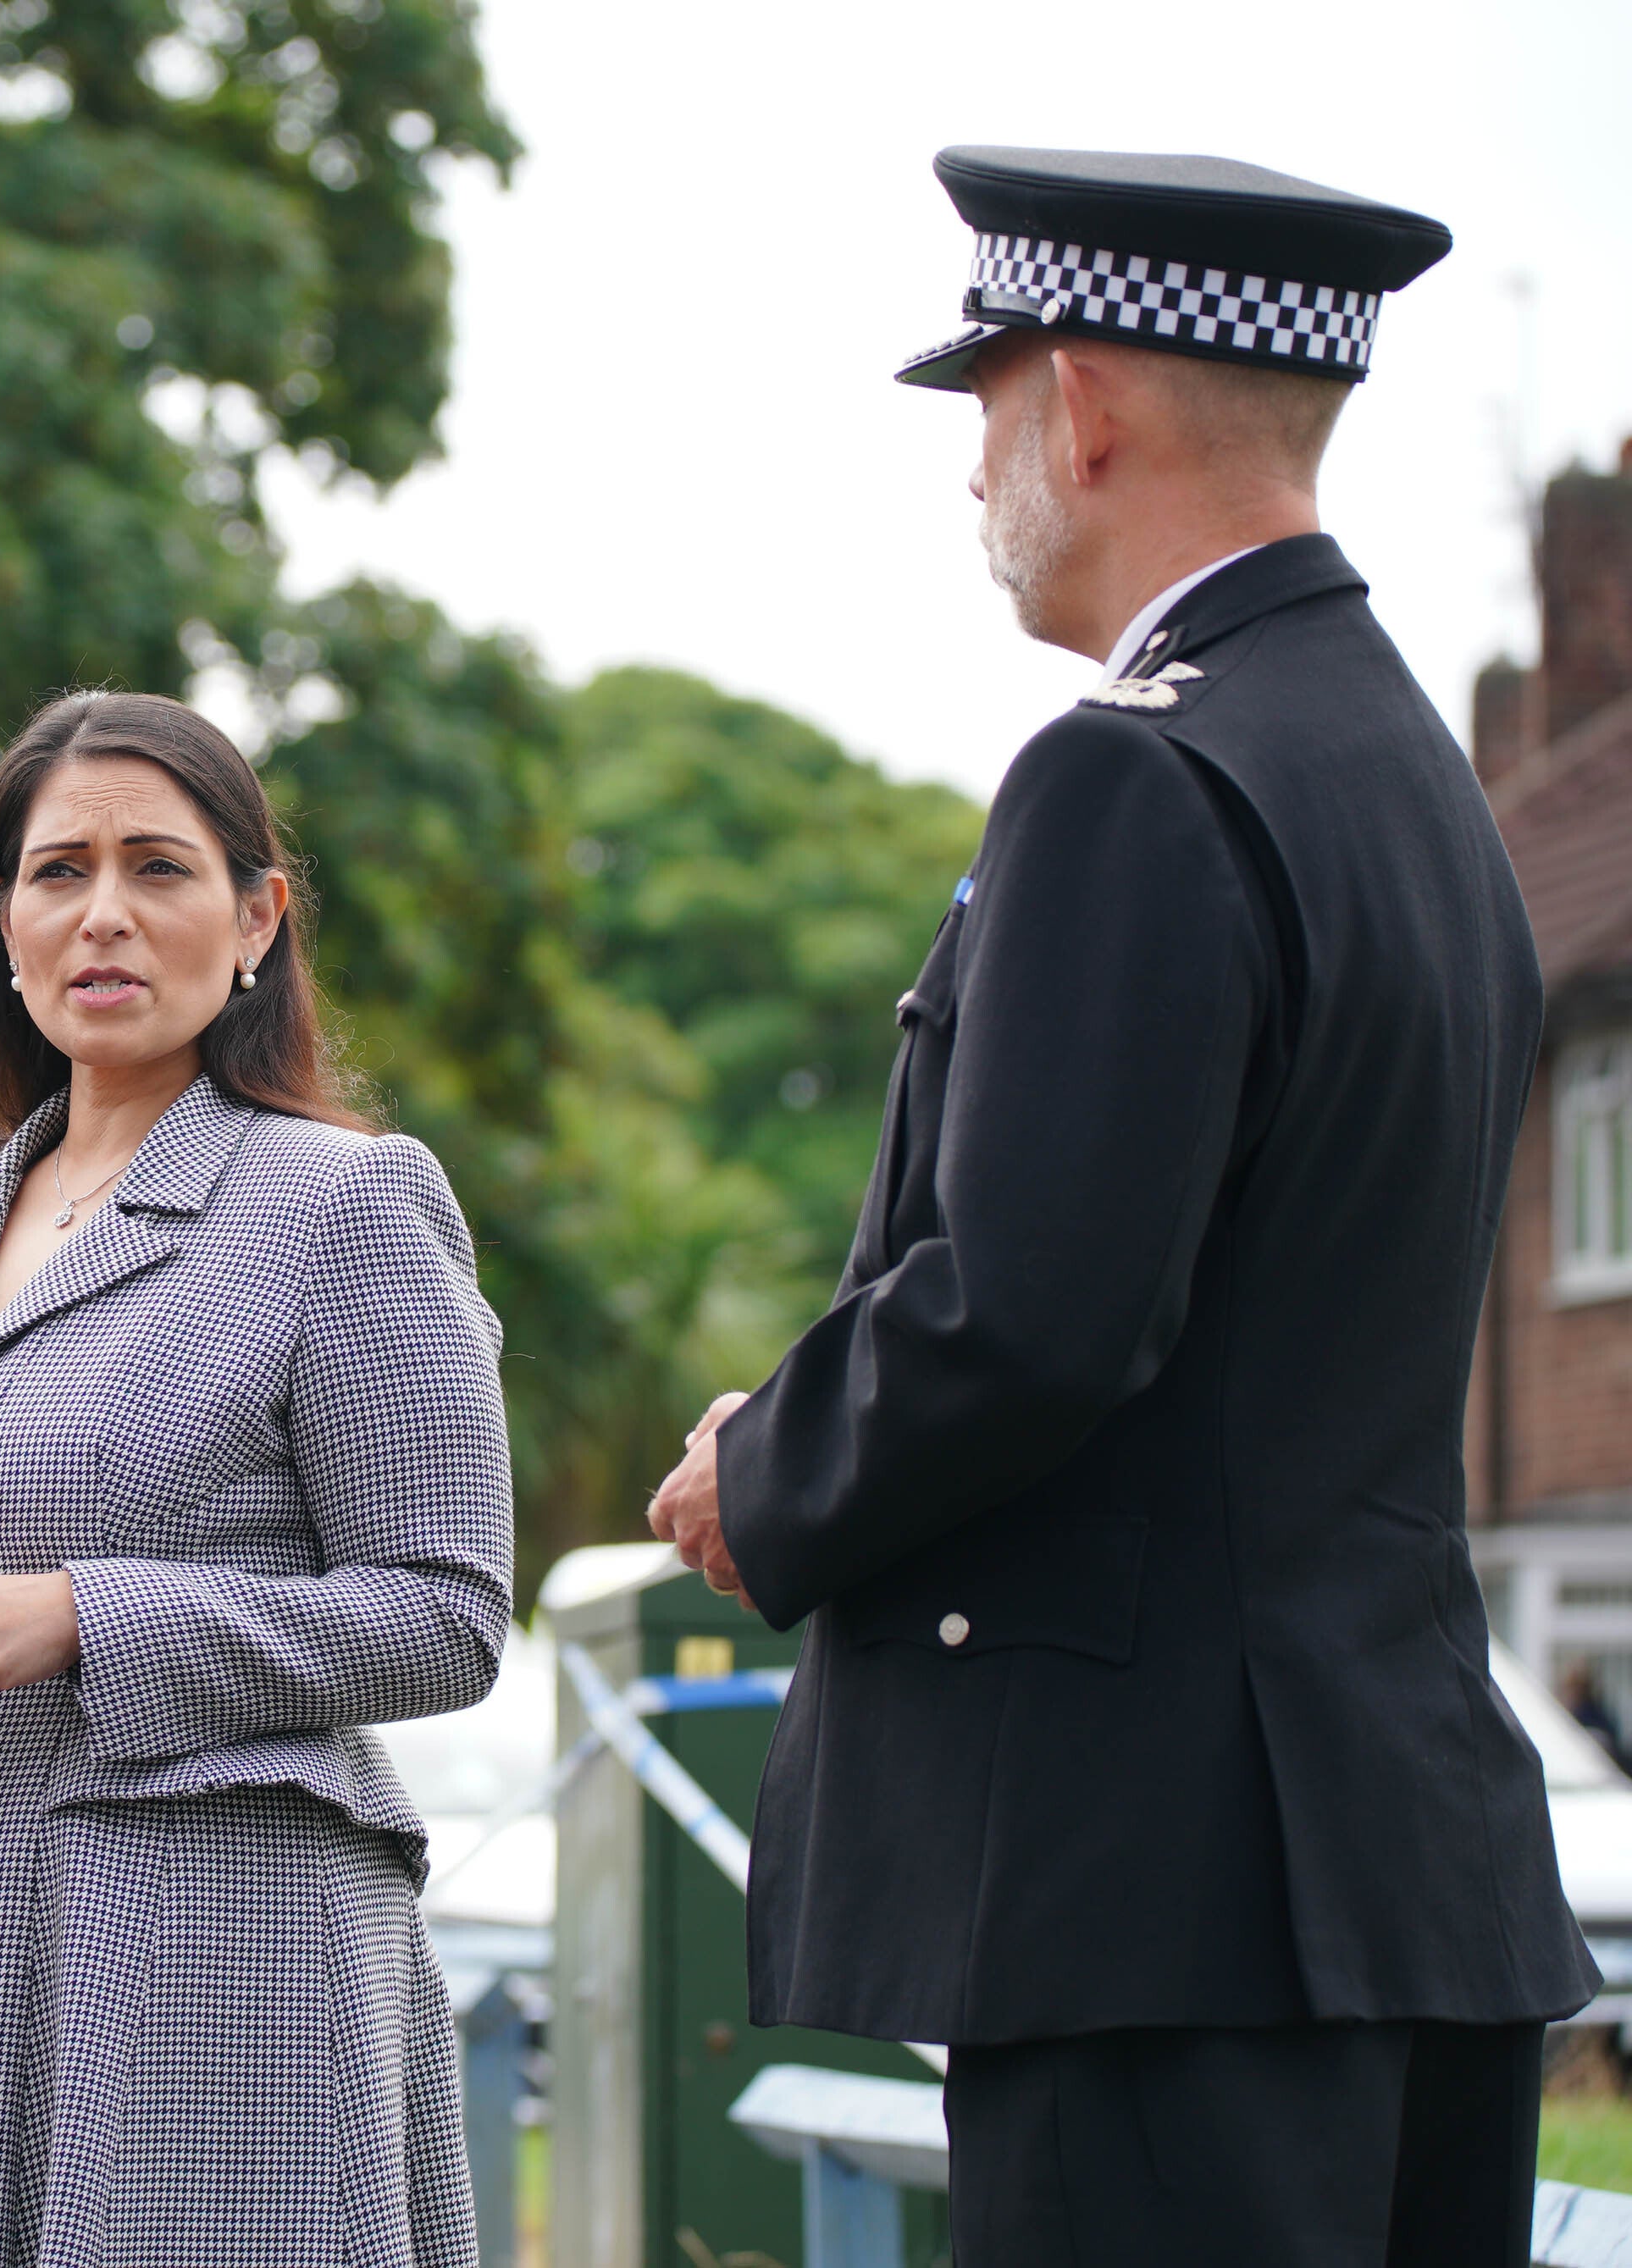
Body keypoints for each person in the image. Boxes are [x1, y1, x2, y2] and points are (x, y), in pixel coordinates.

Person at [644, 149, 1596, 2265]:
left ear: (1079, 401)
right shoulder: (1420, 786)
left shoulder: (1130, 771)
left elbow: (1038, 1310)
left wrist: (766, 1468)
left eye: (980, 408)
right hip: (1396, 1872)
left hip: (1153, 1898)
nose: (971, 472)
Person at [0, 692, 513, 2267]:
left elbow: (447, 1616)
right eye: (56, 871)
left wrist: (90, 1615)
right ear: (3, 929)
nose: (103, 912)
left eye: (159, 866)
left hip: (203, 1984)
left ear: (255, 920)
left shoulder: (348, 1205)